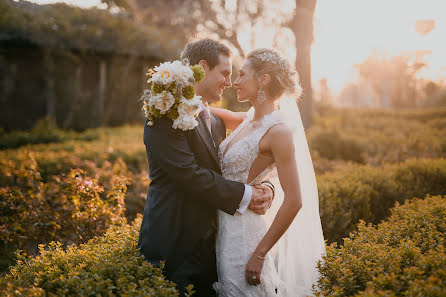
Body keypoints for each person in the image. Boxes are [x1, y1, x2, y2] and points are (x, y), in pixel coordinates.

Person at [138, 38, 275, 297]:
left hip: (213, 248)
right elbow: (188, 175)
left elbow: (233, 167)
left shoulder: (214, 119)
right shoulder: (164, 112)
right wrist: (247, 195)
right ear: (202, 66)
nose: (228, 82)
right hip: (173, 244)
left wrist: (266, 187)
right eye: (224, 73)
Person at [211, 48, 326, 296]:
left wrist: (260, 254)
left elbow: (295, 200)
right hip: (222, 230)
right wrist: (181, 98)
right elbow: (205, 113)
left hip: (244, 239)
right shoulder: (247, 119)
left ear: (263, 79)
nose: (235, 82)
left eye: (242, 75)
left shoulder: (279, 132)